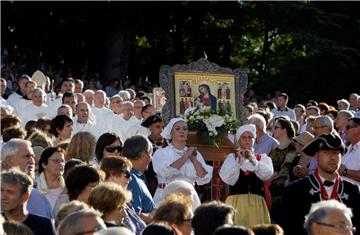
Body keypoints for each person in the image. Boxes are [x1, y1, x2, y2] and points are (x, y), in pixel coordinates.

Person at [280, 134, 360, 235]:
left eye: (336, 153)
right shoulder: (295, 190)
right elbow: (288, 229)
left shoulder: (352, 190)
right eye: (326, 152)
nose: (332, 158)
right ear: (316, 156)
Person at [220, 124, 273, 227]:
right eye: (243, 137)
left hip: (256, 203)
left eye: (250, 137)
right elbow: (227, 178)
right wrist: (238, 163)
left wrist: (254, 162)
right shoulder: (232, 157)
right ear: (239, 141)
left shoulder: (261, 157)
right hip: (235, 203)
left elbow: (267, 174)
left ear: (254, 140)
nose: (247, 140)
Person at [152, 118, 213, 206]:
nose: (182, 131)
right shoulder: (161, 153)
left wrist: (193, 158)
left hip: (189, 197)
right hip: (167, 196)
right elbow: (166, 172)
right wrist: (186, 155)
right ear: (171, 133)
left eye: (184, 129)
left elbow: (203, 177)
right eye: (178, 129)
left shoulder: (194, 153)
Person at [1, 138, 53, 219]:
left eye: (33, 157)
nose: (32, 162)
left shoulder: (38, 197)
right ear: (9, 160)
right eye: (27, 156)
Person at [100, 156, 147, 235]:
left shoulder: (125, 202)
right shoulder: (105, 202)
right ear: (112, 175)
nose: (130, 178)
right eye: (127, 174)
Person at [1, 168, 55, 235]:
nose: (3, 196)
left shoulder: (44, 226)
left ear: (25, 197)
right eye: (1, 191)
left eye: (10, 192)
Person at [121, 135, 155, 218]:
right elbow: (134, 215)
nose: (151, 158)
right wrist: (157, 219)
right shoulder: (131, 179)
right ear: (143, 154)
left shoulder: (134, 176)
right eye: (150, 154)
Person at [339, 113, 360, 187]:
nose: (344, 130)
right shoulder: (348, 148)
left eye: (348, 127)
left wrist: (345, 172)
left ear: (358, 129)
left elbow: (341, 170)